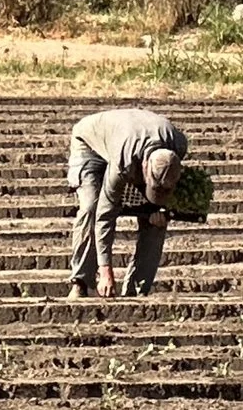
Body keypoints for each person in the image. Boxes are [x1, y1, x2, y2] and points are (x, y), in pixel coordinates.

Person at [67, 106, 187, 299]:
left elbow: (168, 189)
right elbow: (105, 215)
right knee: (91, 206)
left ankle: (137, 291)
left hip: (128, 141)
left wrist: (162, 210)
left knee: (158, 219)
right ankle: (81, 282)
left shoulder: (178, 146)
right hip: (90, 145)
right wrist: (105, 270)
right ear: (145, 167)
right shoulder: (124, 162)